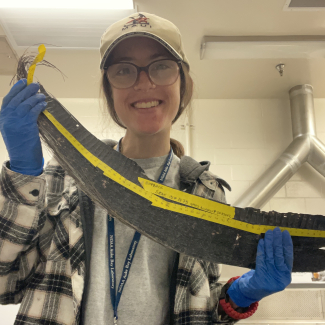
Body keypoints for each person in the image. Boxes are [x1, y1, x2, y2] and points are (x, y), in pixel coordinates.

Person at [0, 12, 293, 325]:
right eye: (124, 70)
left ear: (183, 82)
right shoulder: (66, 175)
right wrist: (22, 175)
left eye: (161, 66)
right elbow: (6, 285)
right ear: (110, 91)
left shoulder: (205, 192)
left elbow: (199, 301)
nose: (144, 82)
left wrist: (240, 295)